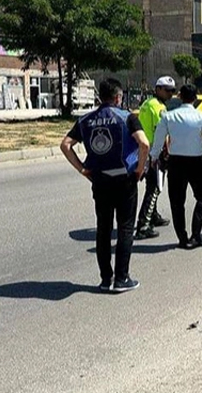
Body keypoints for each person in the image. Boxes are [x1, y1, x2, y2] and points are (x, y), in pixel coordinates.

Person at [60, 78, 146, 293]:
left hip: (100, 180)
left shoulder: (86, 120)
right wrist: (139, 169)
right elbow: (144, 143)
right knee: (125, 228)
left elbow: (65, 145)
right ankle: (121, 279)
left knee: (103, 229)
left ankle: (105, 278)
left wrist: (82, 169)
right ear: (118, 97)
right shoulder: (127, 117)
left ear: (100, 97)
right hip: (124, 179)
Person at [151, 84, 202, 249]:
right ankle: (196, 235)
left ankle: (182, 238)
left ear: (180, 96)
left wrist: (154, 157)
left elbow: (158, 139)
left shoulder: (168, 116)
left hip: (176, 163)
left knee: (177, 202)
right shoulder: (201, 116)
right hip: (197, 162)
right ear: (195, 98)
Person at [134, 76, 176, 240]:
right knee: (155, 188)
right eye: (167, 90)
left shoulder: (147, 103)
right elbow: (162, 132)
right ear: (158, 89)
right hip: (154, 152)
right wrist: (166, 153)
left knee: (152, 185)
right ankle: (143, 225)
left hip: (144, 150)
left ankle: (154, 215)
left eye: (172, 91)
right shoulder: (159, 108)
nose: (170, 94)